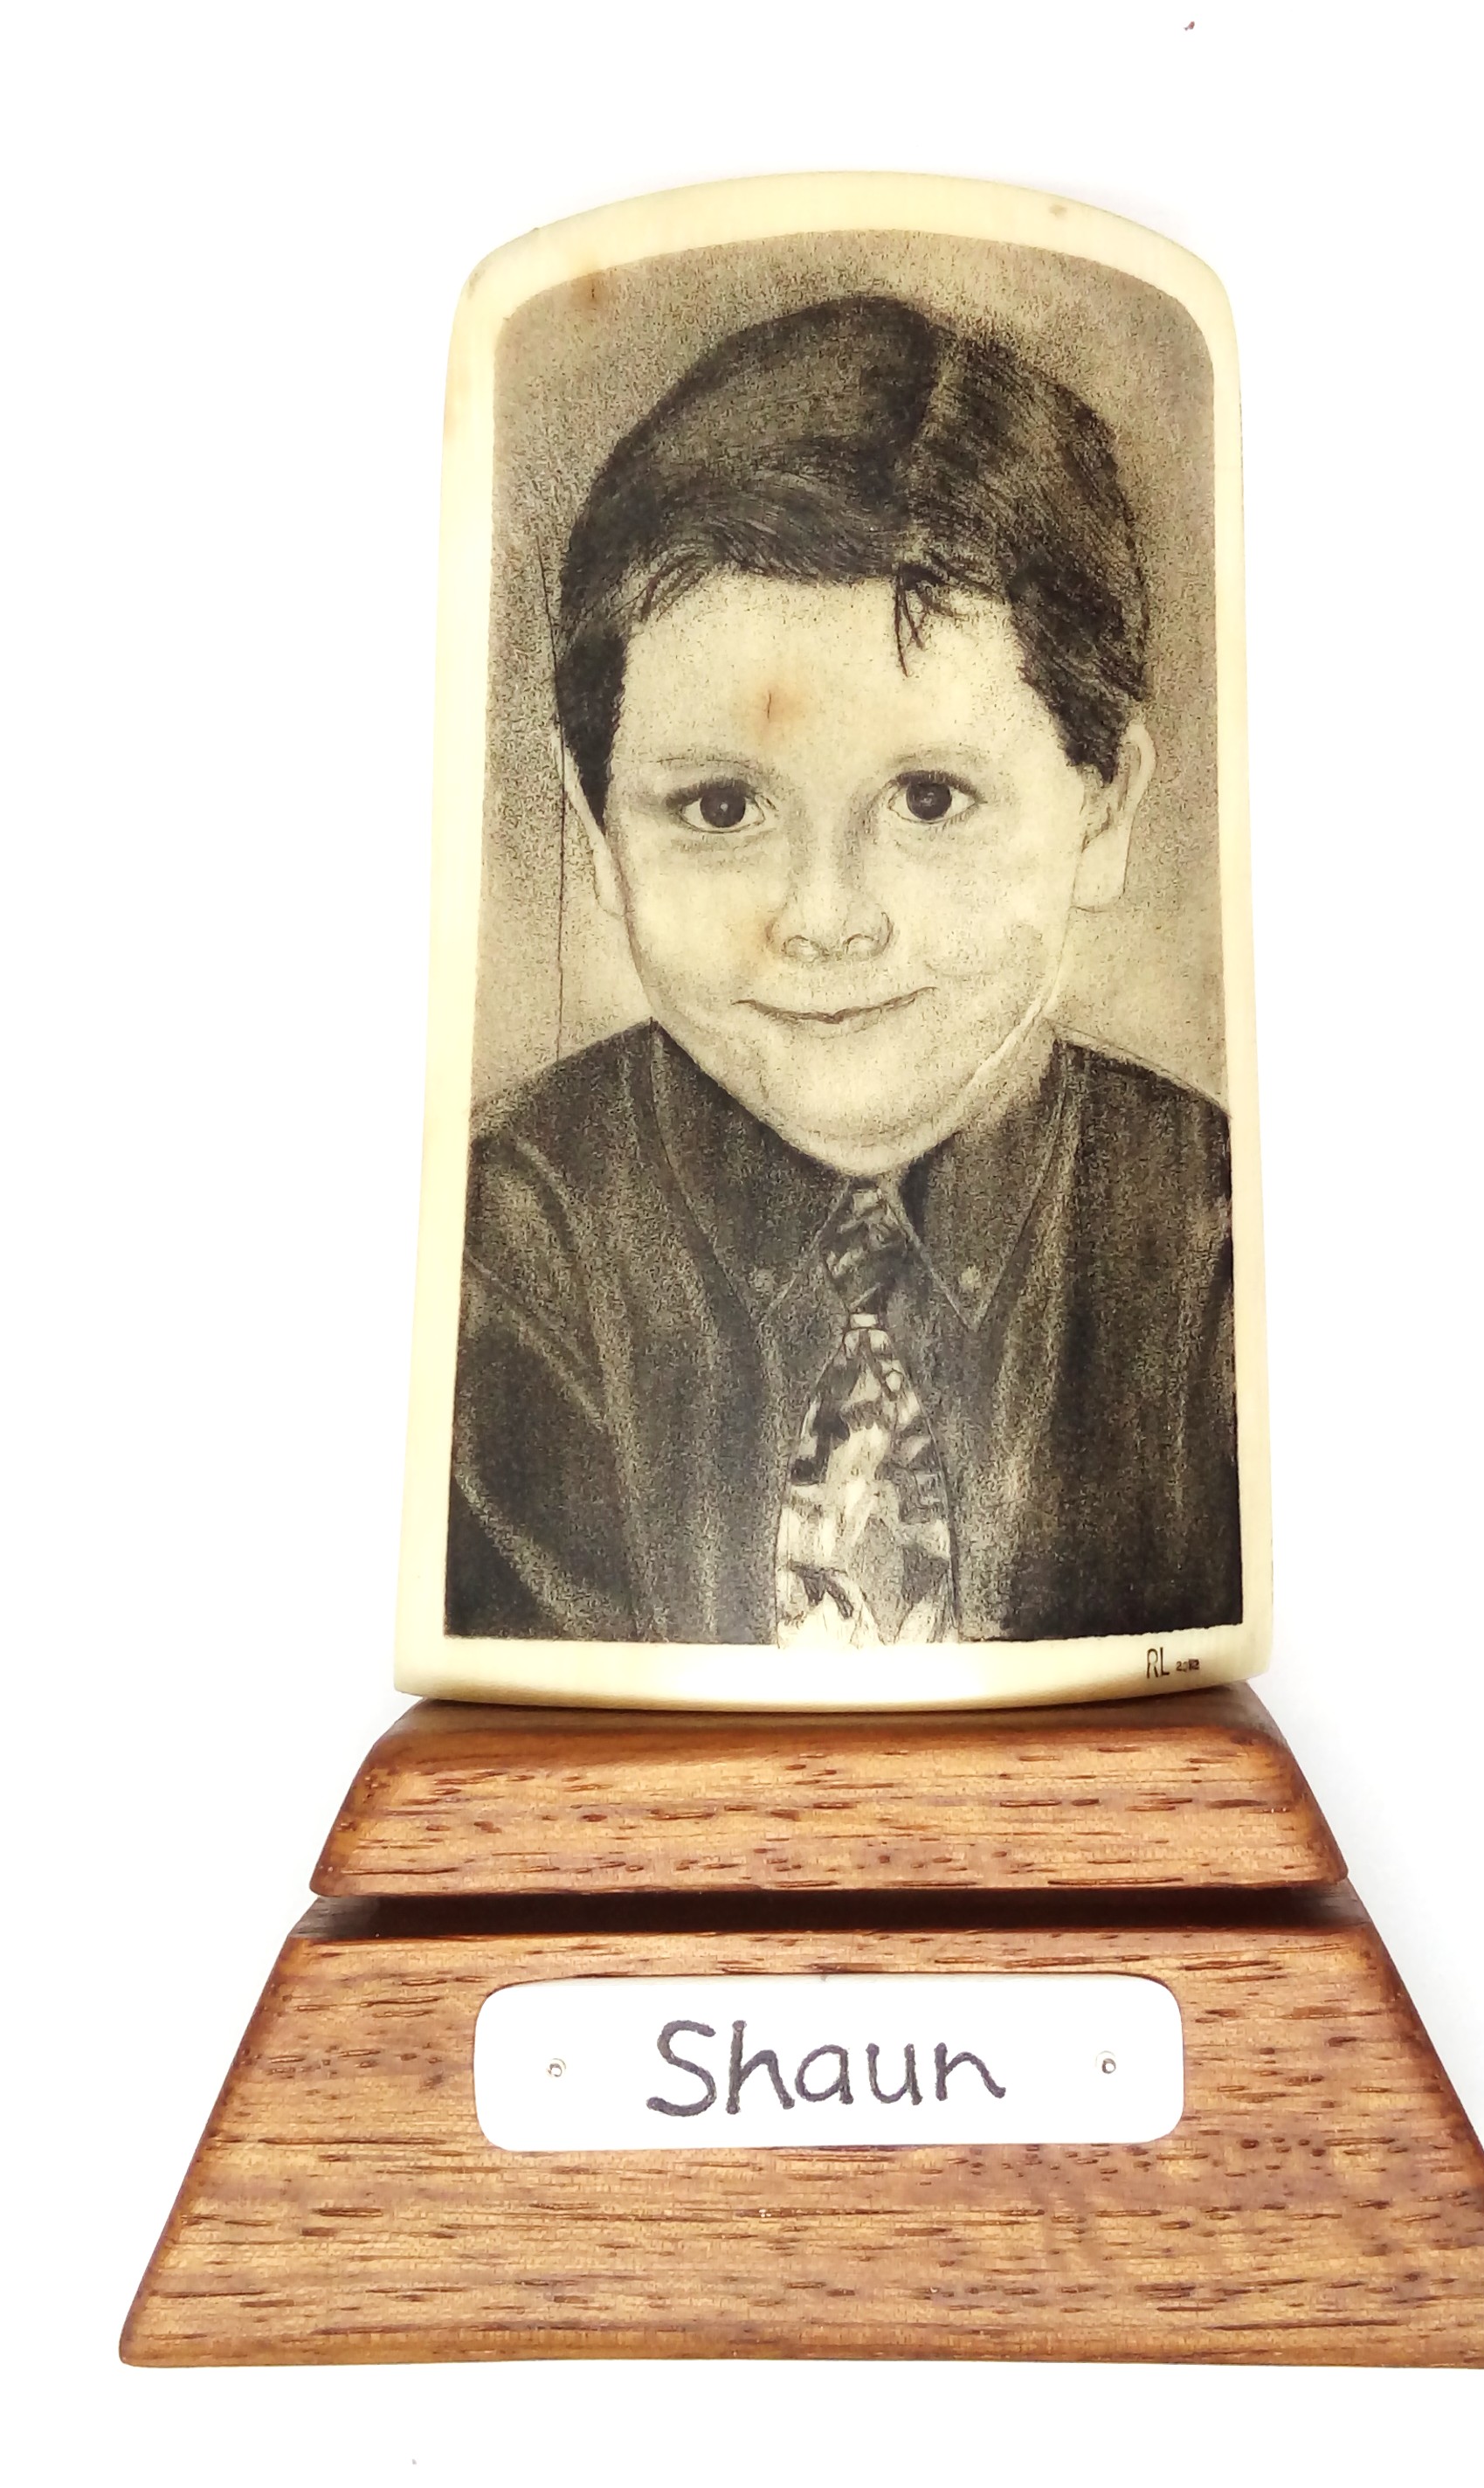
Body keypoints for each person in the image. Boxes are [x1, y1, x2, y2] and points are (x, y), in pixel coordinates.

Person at [447, 294, 1240, 1648]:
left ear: (1102, 812)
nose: (823, 920)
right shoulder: (500, 1251)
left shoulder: (1217, 1245)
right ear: (598, 837)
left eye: (929, 800)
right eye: (718, 809)